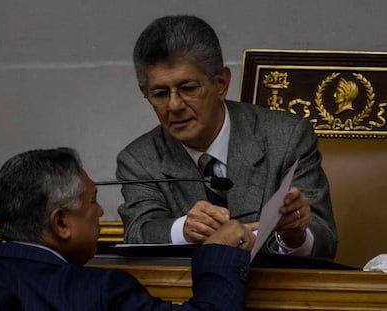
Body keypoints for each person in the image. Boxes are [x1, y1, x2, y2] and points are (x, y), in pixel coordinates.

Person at [116, 15, 337, 259]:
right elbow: (139, 231)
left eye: (188, 88)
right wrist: (184, 229)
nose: (174, 105)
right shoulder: (138, 160)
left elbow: (325, 241)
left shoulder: (286, 138)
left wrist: (295, 236)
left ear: (221, 83)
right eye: (159, 93)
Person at [0, 147, 255, 311]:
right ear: (60, 223)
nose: (100, 212)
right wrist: (219, 253)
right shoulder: (97, 292)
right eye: (92, 201)